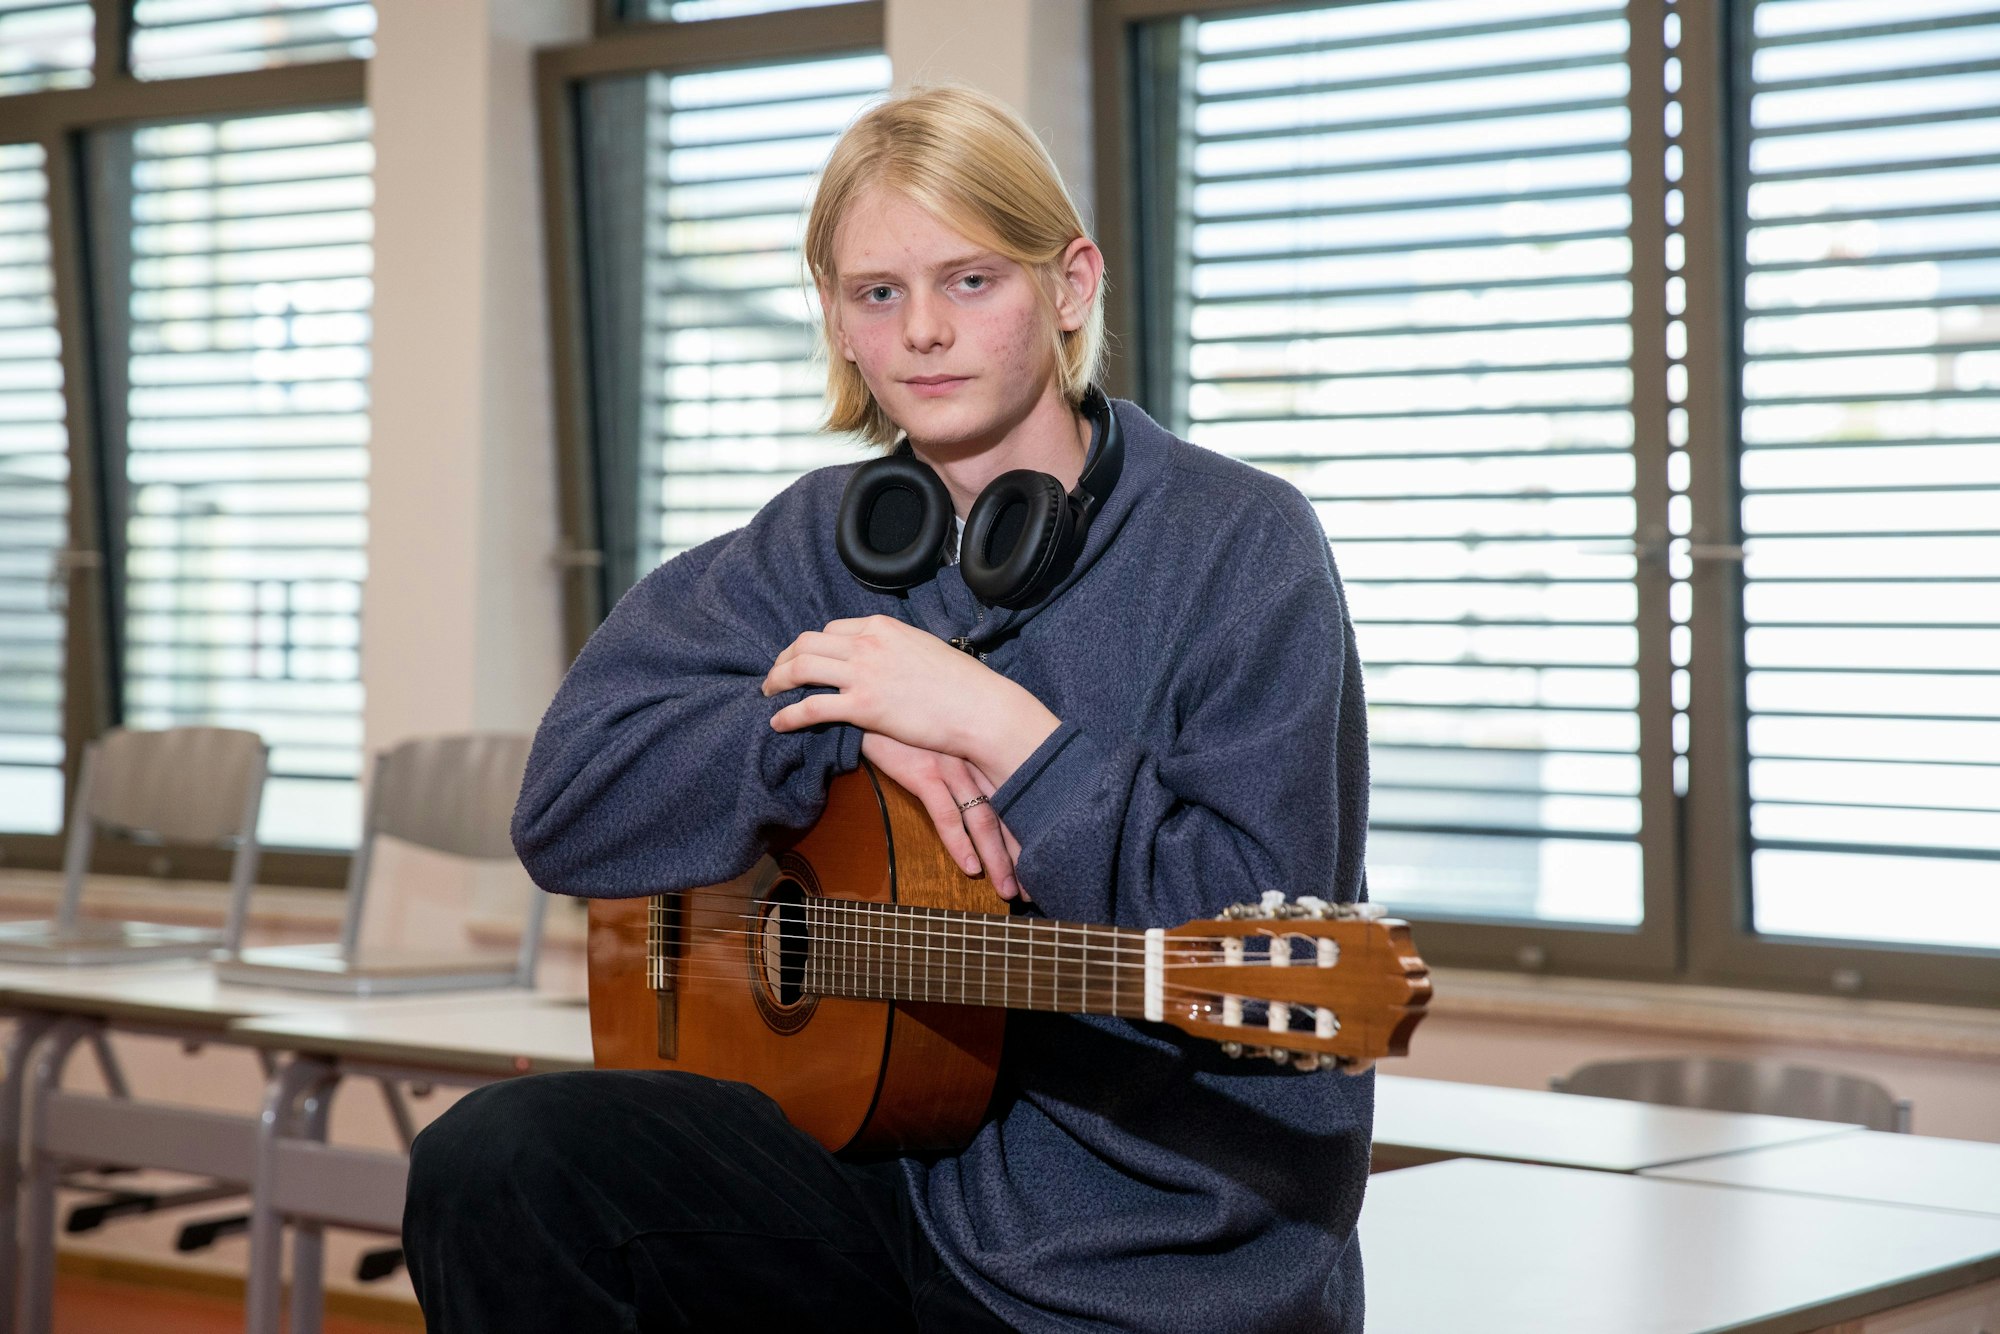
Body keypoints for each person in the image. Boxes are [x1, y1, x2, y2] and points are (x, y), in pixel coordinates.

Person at [402, 84, 1373, 1333]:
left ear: (1069, 286)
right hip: (885, 1177)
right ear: (839, 323)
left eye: (970, 281)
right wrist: (839, 730)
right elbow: (568, 812)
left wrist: (1002, 729)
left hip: (1148, 1262)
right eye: (877, 293)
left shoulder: (1238, 542)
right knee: (502, 1158)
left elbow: (1262, 946)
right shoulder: (817, 541)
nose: (922, 331)